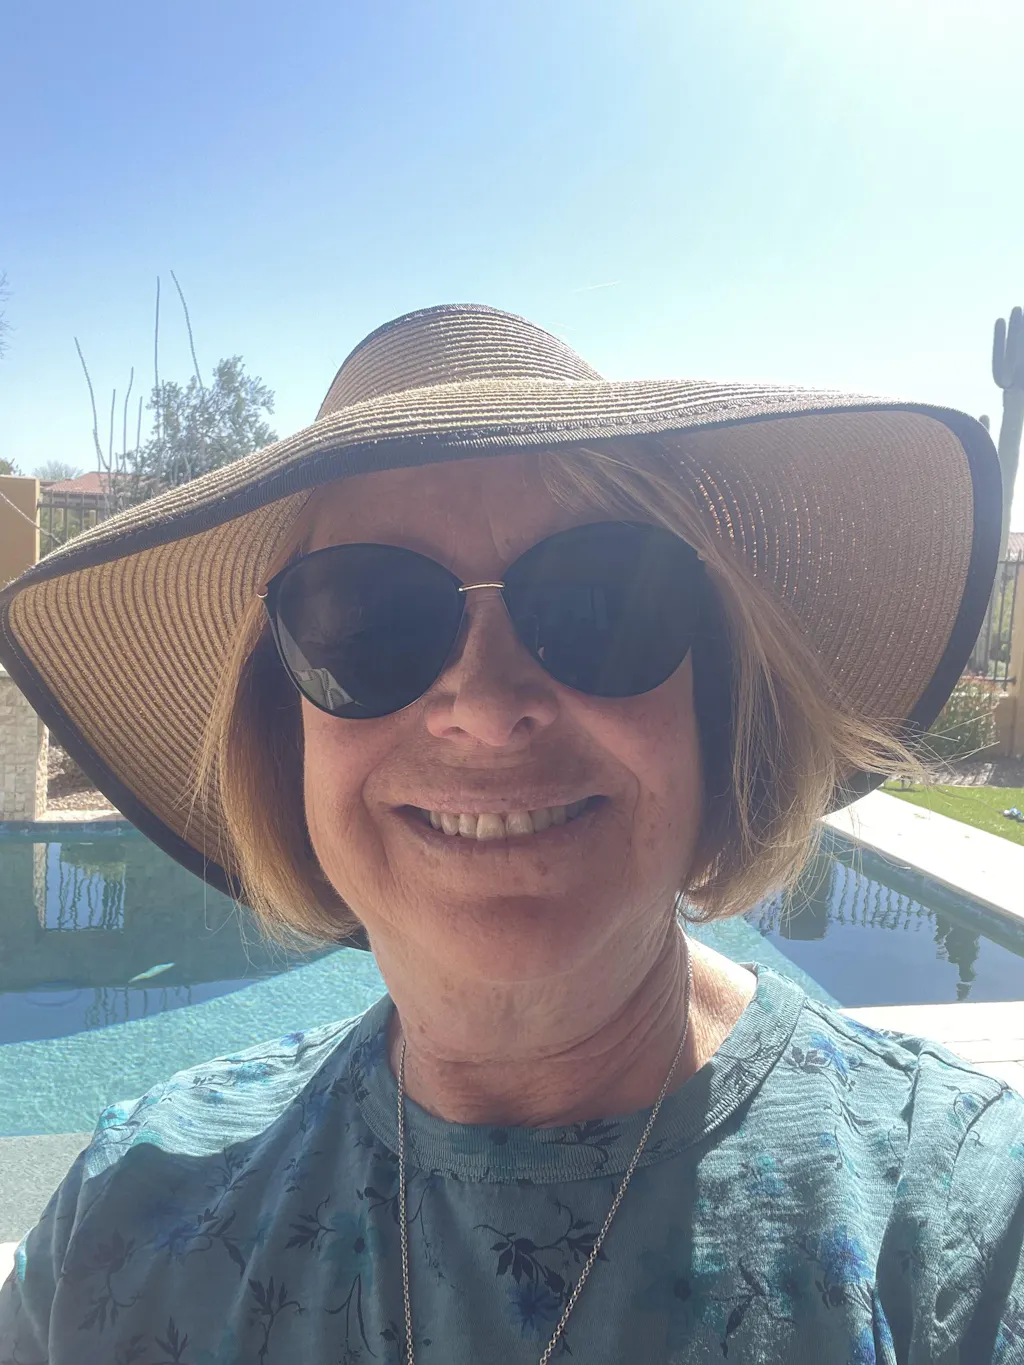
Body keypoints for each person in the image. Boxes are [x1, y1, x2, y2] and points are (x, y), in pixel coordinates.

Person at [0, 304, 1020, 1364]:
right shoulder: (122, 1225)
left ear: (716, 701)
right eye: (370, 617)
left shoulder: (958, 1229)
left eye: (598, 601)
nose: (486, 708)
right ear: (282, 723)